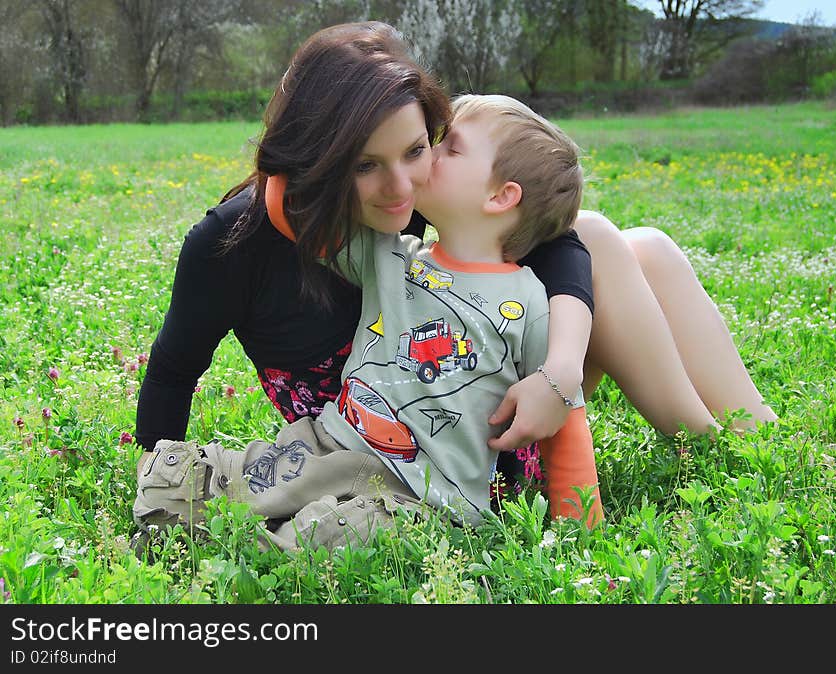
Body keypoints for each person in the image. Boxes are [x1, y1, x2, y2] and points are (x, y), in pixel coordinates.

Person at [135, 21, 775, 487]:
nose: (401, 187)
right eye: (365, 165)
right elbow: (170, 374)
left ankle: (754, 443)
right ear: (316, 159)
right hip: (417, 451)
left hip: (487, 380)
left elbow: (560, 246)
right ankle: (711, 452)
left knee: (641, 247)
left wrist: (559, 373)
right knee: (614, 241)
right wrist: (152, 479)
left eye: (418, 149)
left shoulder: (411, 189)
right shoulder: (231, 245)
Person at [133, 91, 603, 551]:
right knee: (201, 480)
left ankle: (259, 545)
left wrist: (581, 528)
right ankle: (205, 518)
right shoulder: (388, 253)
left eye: (446, 148)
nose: (428, 156)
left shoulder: (530, 301)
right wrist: (291, 153)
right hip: (332, 444)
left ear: (501, 196)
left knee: (333, 538)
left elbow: (564, 415)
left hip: (424, 492)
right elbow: (297, 215)